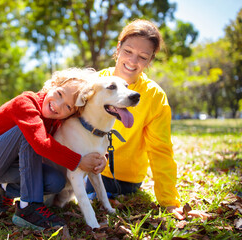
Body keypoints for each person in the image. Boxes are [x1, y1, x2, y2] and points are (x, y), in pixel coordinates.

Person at [86, 19, 210, 220]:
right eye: (127, 51)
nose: (133, 61)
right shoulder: (95, 83)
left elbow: (161, 150)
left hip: (128, 180)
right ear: (118, 48)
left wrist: (169, 202)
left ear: (150, 59)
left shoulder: (155, 96)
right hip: (90, 171)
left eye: (143, 56)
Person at [0, 68, 107, 230]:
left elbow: (74, 141)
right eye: (60, 93)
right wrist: (78, 161)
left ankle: (5, 190)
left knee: (56, 182)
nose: (58, 104)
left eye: (68, 107)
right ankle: (28, 207)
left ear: (71, 114)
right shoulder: (25, 102)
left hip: (13, 166)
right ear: (53, 85)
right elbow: (40, 142)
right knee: (30, 133)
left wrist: (99, 158)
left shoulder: (56, 122)